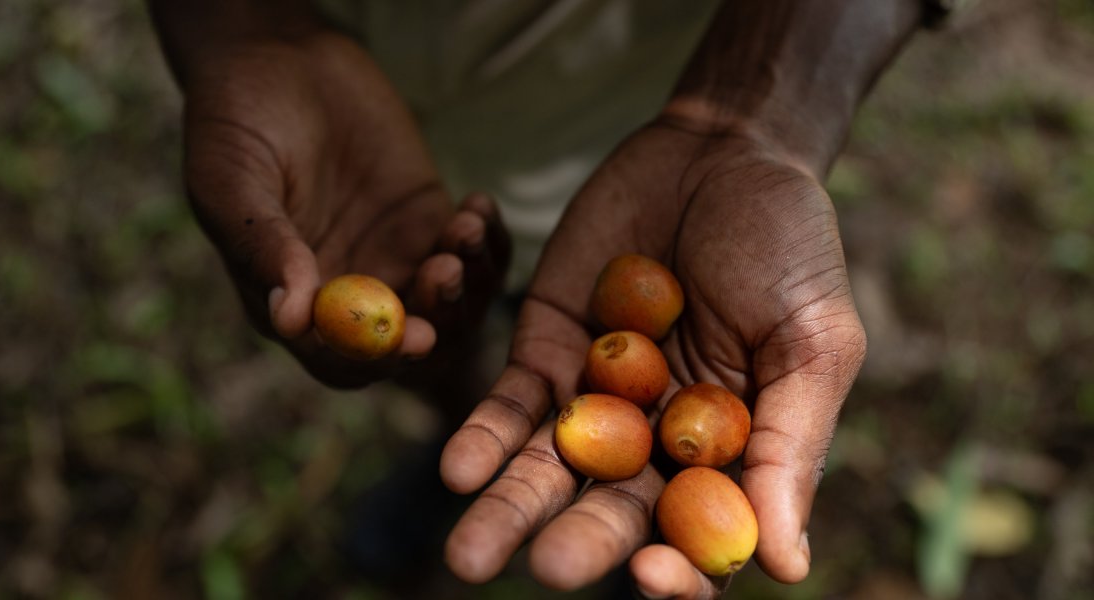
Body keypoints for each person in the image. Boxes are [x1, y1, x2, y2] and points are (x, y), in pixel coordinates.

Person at [149, 0, 938, 596]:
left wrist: (751, 120)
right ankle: (445, 444)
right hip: (340, 127)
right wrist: (237, 26)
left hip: (627, 158)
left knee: (496, 348)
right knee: (434, 345)